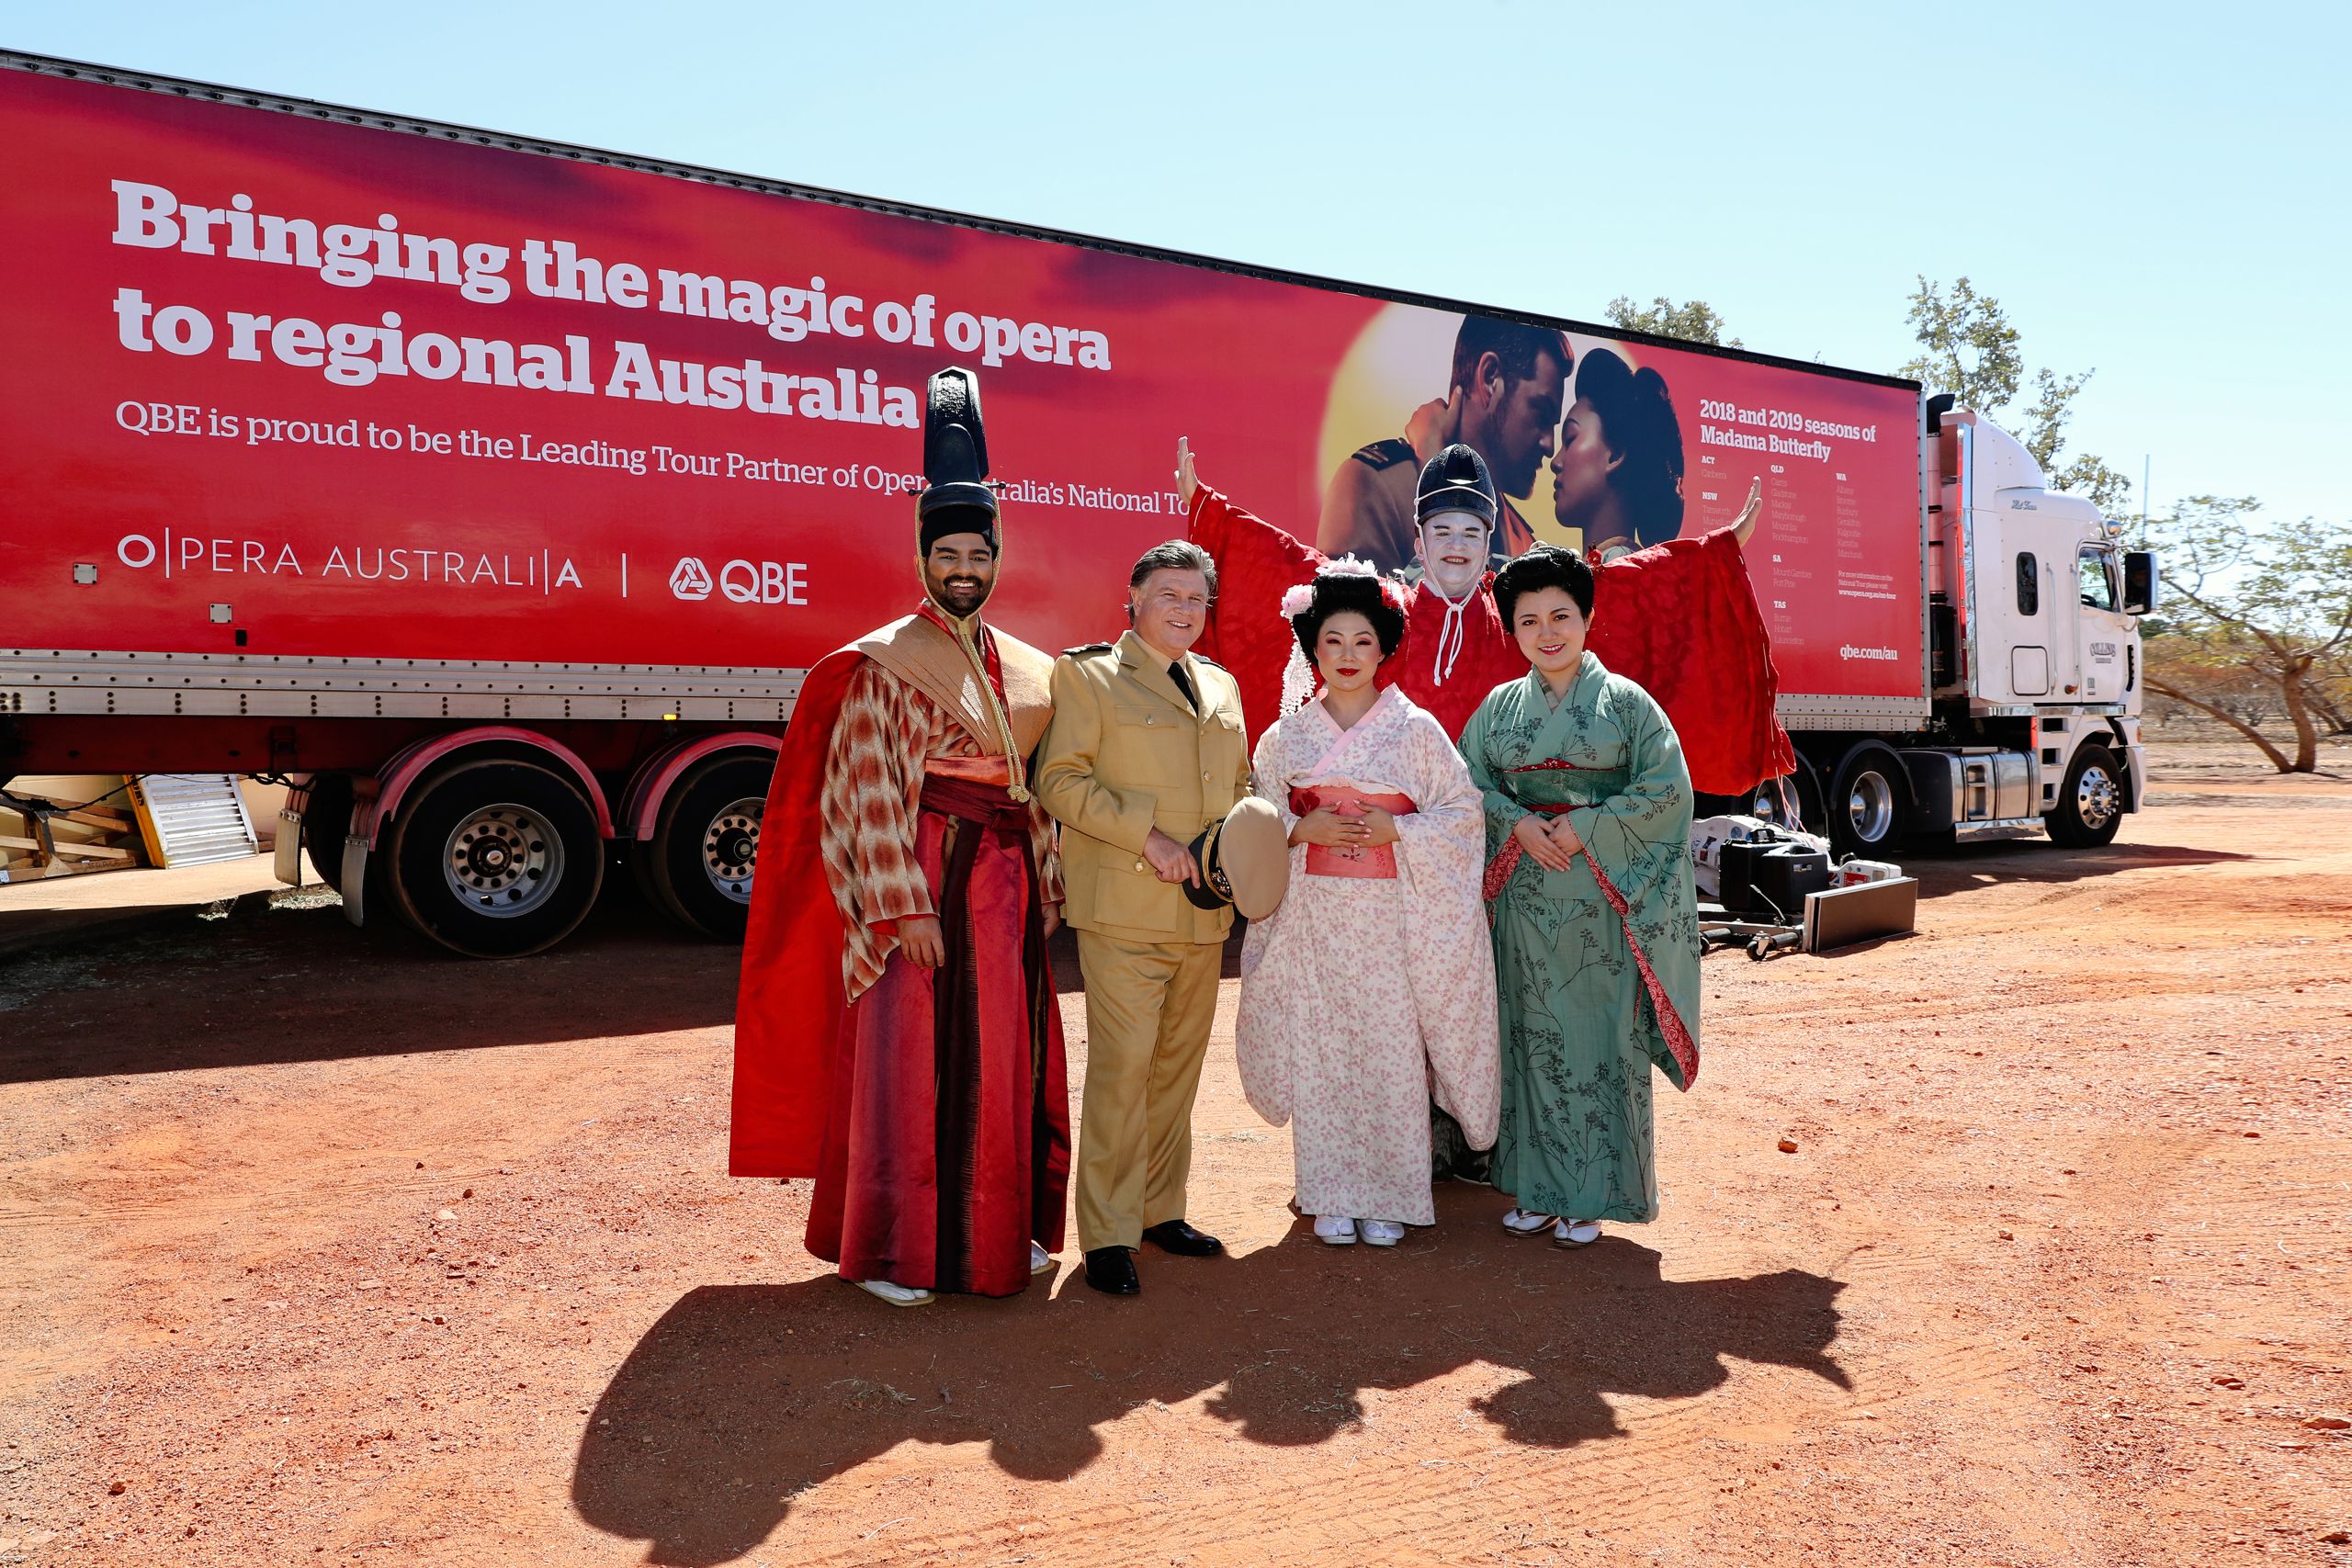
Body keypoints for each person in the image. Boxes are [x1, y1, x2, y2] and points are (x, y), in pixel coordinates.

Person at [729, 367, 1069, 1308]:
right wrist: (898, 907)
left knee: (1001, 1061)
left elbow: (1032, 790)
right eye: (947, 552)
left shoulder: (1023, 665)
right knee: (906, 1064)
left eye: (978, 552)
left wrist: (1046, 882)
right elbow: (864, 788)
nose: (964, 566)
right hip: (922, 881)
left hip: (1002, 892)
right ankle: (887, 1249)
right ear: (921, 559)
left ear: (998, 558)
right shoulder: (889, 662)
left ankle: (990, 1226)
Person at [1183, 423, 1794, 799]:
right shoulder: (1384, 613)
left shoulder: (1516, 624)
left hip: (1497, 842)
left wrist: (1711, 555)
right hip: (1390, 848)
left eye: (1471, 532)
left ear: (1489, 544)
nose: (1455, 544)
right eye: (1441, 530)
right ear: (1417, 543)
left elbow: (1618, 590)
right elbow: (1296, 565)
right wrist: (1211, 514)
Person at [1234, 561, 1498, 1246]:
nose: (1347, 655)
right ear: (1312, 648)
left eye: (1361, 641)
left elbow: (1464, 813)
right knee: (1321, 1044)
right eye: (1332, 641)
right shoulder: (1286, 738)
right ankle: (1327, 1190)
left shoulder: (1415, 731)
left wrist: (1399, 828)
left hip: (1391, 917)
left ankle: (1391, 1194)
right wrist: (1300, 828)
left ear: (1384, 648)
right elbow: (1257, 819)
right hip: (1317, 914)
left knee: (1390, 1050)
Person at [1458, 545, 1702, 1250]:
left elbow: (1667, 792)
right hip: (1525, 894)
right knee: (1528, 1038)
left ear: (1589, 617)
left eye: (1561, 614)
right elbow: (1464, 787)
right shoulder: (1499, 710)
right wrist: (1515, 821)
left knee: (1599, 1040)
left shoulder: (1629, 706)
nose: (1547, 631)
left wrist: (1588, 825)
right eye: (1529, 619)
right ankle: (1537, 1189)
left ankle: (1592, 1193)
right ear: (1513, 630)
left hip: (1601, 897)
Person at [1035, 540, 1252, 1297]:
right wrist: (1146, 834)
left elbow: (1241, 792)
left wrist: (1248, 859)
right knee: (1124, 1074)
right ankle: (1108, 1233)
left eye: (1197, 597)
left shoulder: (1222, 686)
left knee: (1176, 1075)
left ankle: (1162, 1210)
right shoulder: (1089, 675)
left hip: (1203, 916)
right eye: (1169, 594)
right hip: (1125, 911)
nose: (1185, 609)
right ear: (1133, 596)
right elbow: (1058, 780)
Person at [1318, 315, 1568, 574]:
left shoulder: (1523, 539)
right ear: (1490, 378)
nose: (1549, 445)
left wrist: (1433, 461)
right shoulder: (1373, 485)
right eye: (1540, 412)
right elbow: (1352, 610)